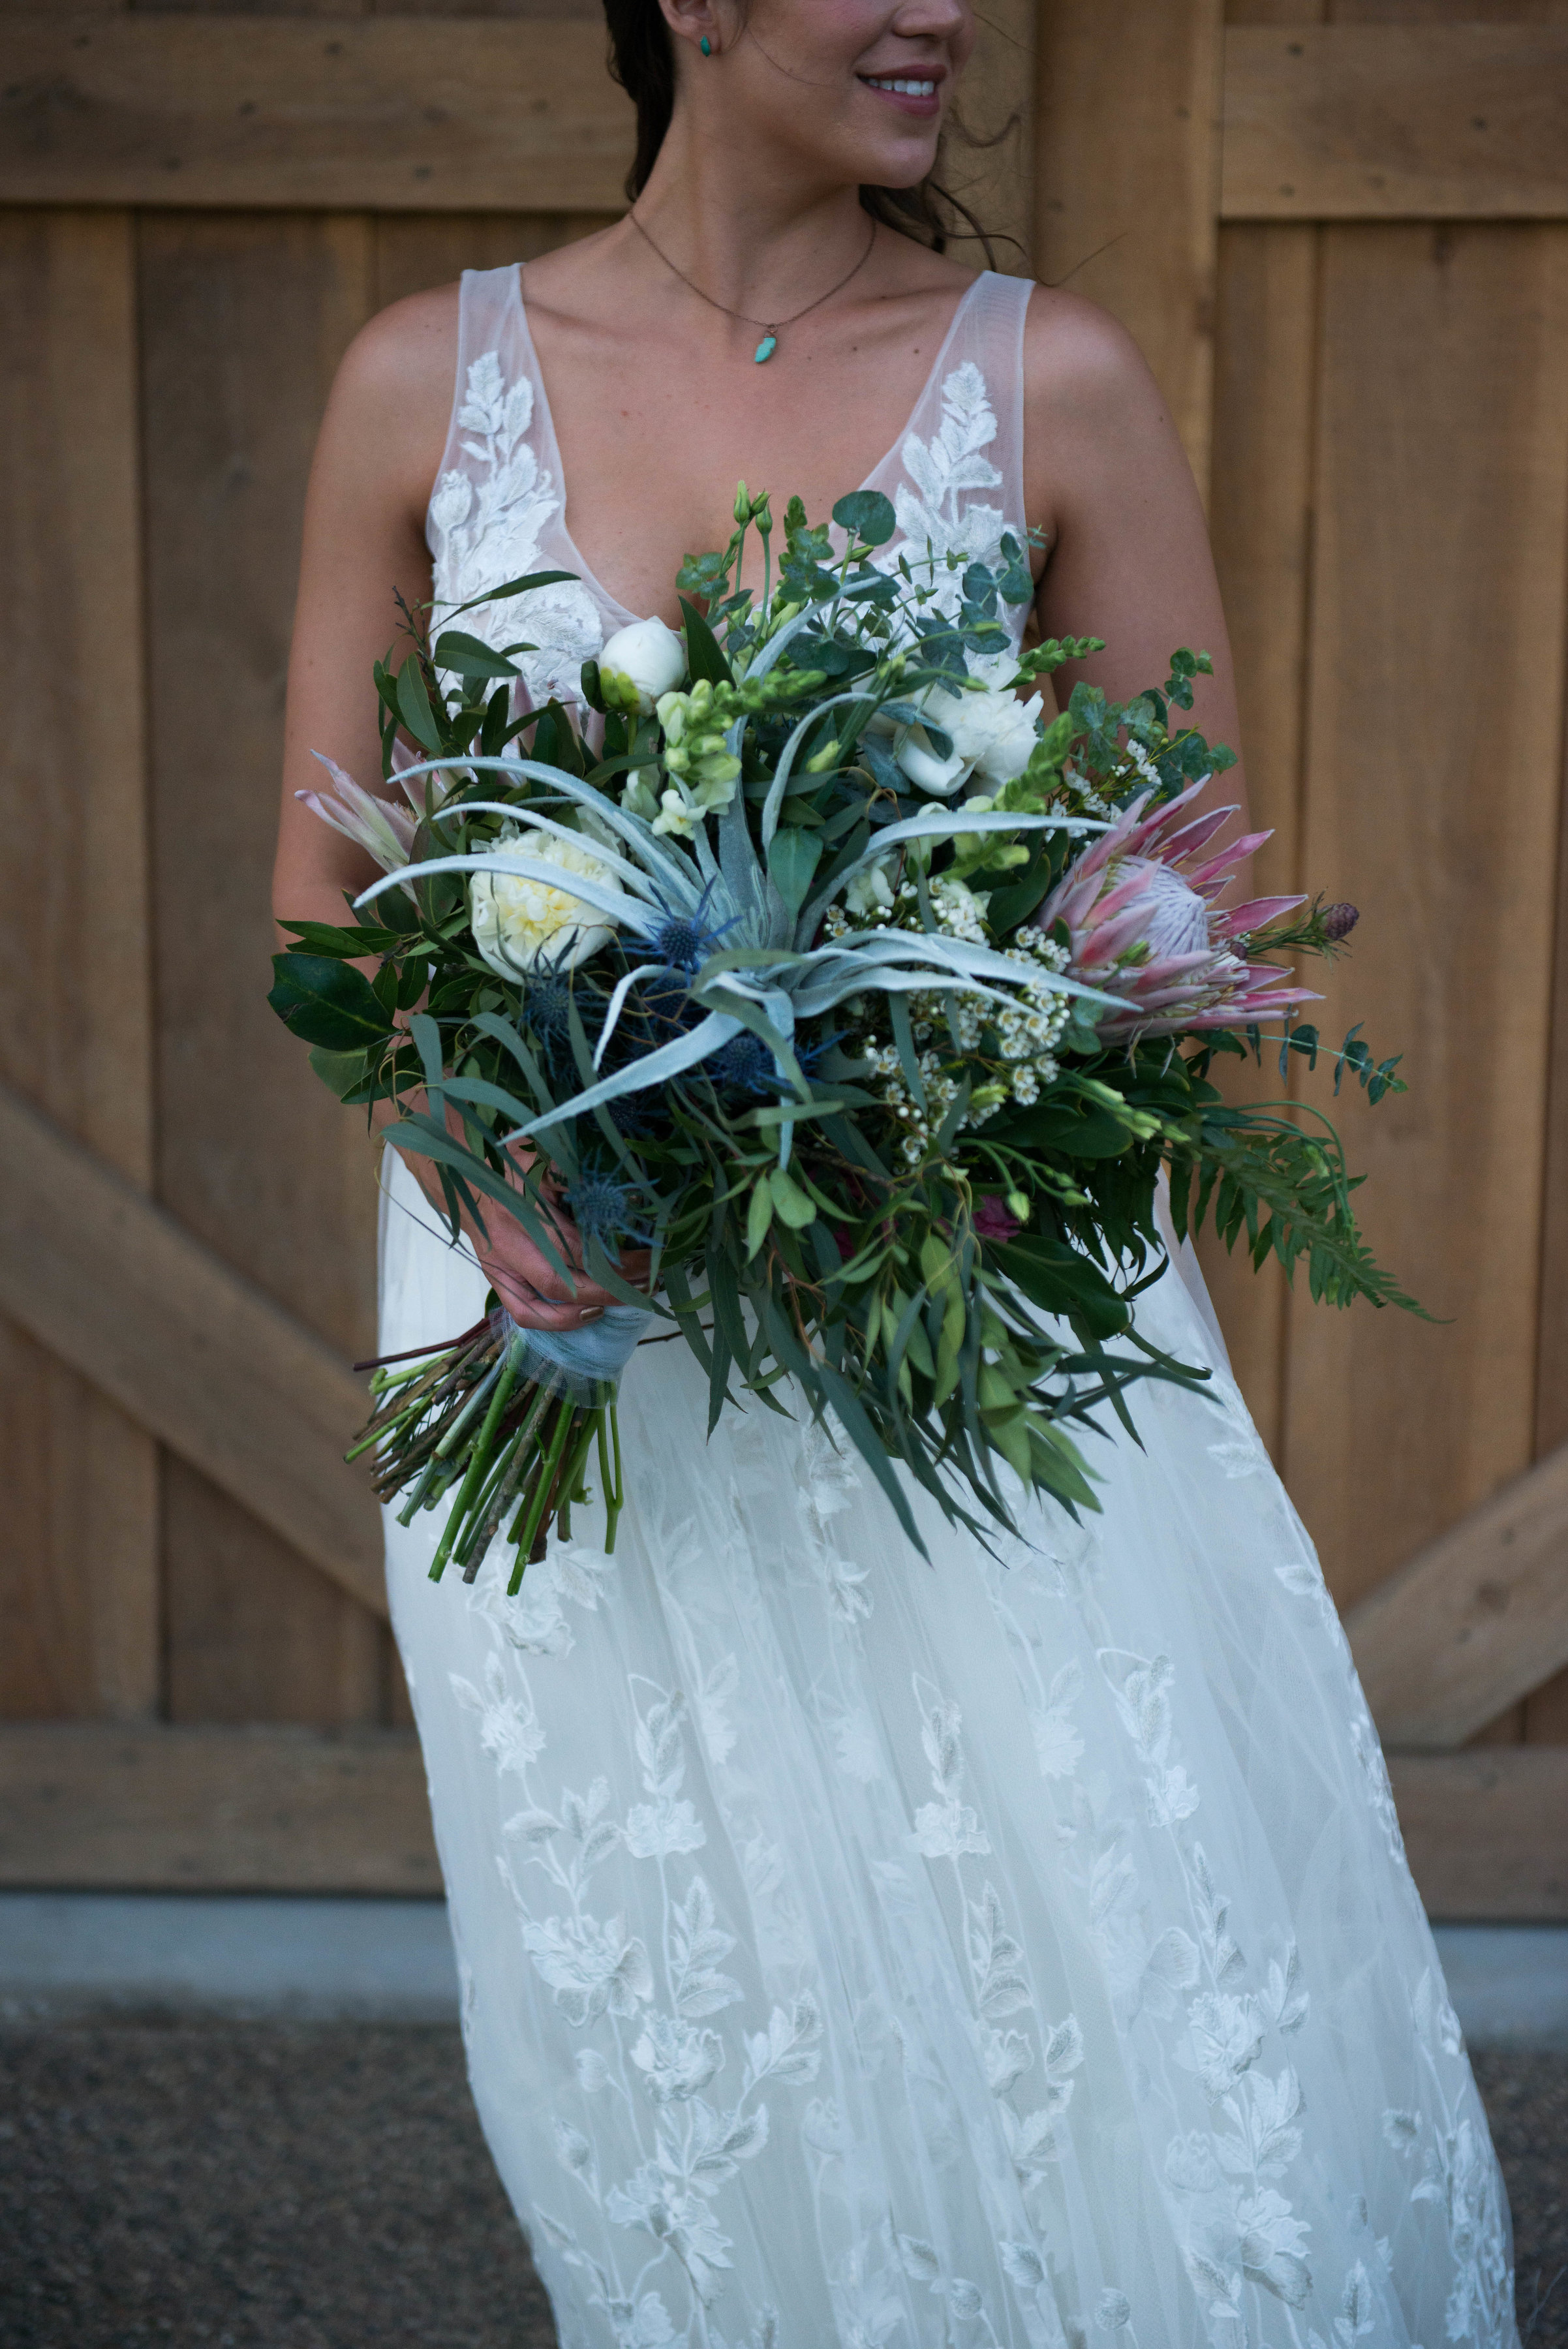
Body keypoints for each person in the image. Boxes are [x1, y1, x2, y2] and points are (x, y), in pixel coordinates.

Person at [273, 2, 1518, 2339]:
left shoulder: (1048, 384)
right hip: (573, 1345)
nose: (939, 4)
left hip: (970, 1301)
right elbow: (327, 918)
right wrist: (478, 1169)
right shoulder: (413, 387)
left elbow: (1187, 911)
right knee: (684, 1991)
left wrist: (959, 1152)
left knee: (1102, 1953)